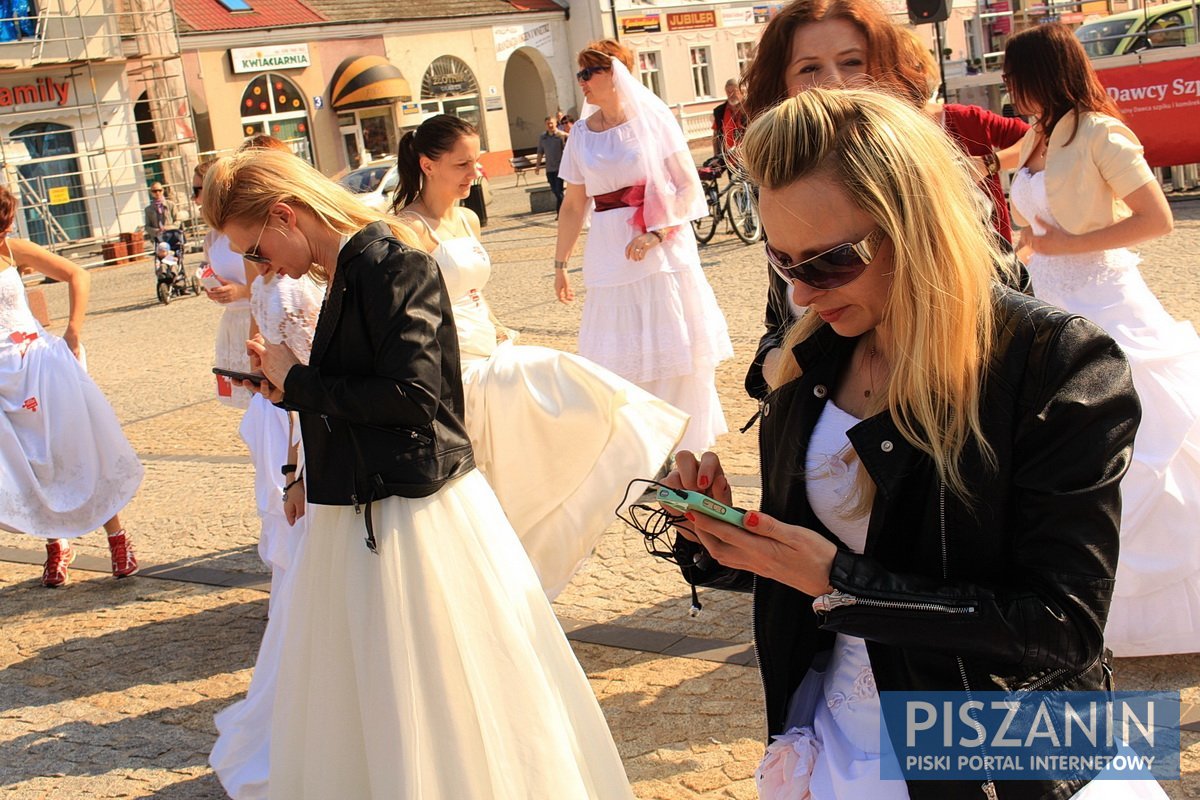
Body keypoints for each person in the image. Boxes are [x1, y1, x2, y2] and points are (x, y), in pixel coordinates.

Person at [667, 87, 1161, 800]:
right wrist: (725, 541)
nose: (802, 294)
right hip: (834, 737)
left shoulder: (1056, 364)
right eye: (783, 262)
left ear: (918, 225)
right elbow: (814, 568)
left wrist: (842, 583)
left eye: (829, 262)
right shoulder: (813, 358)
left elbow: (1063, 627)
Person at [201, 148, 635, 799]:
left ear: (286, 216)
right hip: (364, 506)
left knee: (438, 685)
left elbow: (412, 398)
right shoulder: (350, 268)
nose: (262, 268)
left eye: (256, 250)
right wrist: (291, 393)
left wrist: (302, 380)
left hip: (412, 510)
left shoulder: (387, 263)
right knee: (376, 688)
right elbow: (359, 387)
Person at [393, 114, 689, 597]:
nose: (476, 173)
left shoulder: (467, 219)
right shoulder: (407, 228)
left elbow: (472, 293)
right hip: (454, 364)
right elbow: (413, 314)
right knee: (556, 374)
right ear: (427, 164)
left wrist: (496, 326)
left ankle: (626, 464)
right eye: (462, 164)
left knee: (543, 427)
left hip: (488, 344)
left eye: (476, 161)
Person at [1005, 23, 1200, 657]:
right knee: (1064, 444)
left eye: (1016, 78)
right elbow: (1001, 175)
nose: (1010, 92)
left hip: (1107, 302)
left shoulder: (1101, 132)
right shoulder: (1041, 132)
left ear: (1042, 74)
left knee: (1148, 435)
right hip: (1048, 301)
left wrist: (1065, 245)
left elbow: (1157, 220)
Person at [739, 0, 1027, 401]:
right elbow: (780, 325)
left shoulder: (933, 183)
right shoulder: (779, 189)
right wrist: (786, 373)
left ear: (884, 71)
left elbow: (998, 317)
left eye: (852, 62)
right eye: (809, 68)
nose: (834, 82)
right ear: (781, 85)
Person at [555, 39, 733, 454]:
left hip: (662, 250)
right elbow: (573, 203)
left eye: (589, 72)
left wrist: (656, 233)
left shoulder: (655, 120)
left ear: (615, 74)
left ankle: (684, 448)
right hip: (609, 251)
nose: (581, 81)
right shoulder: (580, 135)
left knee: (675, 347)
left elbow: (688, 184)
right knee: (620, 354)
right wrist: (560, 263)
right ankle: (643, 449)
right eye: (579, 73)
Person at [0, 185, 142, 587]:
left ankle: (117, 538)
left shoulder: (12, 249)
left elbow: (77, 274)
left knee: (73, 447)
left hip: (39, 365)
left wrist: (73, 330)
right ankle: (56, 544)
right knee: (28, 461)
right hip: (2, 377)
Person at [197, 135, 296, 601]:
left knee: (283, 448)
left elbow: (262, 286)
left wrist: (263, 349)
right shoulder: (225, 230)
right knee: (268, 445)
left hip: (274, 339)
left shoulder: (279, 238)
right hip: (251, 334)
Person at [534, 116, 568, 215]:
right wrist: (537, 166)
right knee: (556, 191)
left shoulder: (561, 135)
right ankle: (562, 211)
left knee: (558, 191)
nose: (550, 125)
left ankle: (561, 213)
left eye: (551, 123)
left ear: (556, 123)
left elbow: (571, 139)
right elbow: (540, 152)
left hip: (560, 168)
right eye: (548, 123)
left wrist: (564, 135)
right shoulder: (543, 137)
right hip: (549, 169)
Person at [711, 78, 747, 161]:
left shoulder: (749, 108)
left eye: (734, 92)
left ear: (742, 92)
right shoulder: (720, 111)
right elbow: (716, 135)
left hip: (747, 157)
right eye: (728, 92)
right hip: (729, 159)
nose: (731, 95)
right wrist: (716, 156)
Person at [143, 181, 182, 251]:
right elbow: (147, 227)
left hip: (172, 236)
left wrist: (167, 228)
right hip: (158, 239)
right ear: (151, 193)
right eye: (154, 191)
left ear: (163, 191)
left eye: (159, 190)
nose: (157, 193)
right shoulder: (148, 209)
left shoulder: (171, 205)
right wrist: (156, 231)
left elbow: (178, 221)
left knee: (174, 258)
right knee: (162, 259)